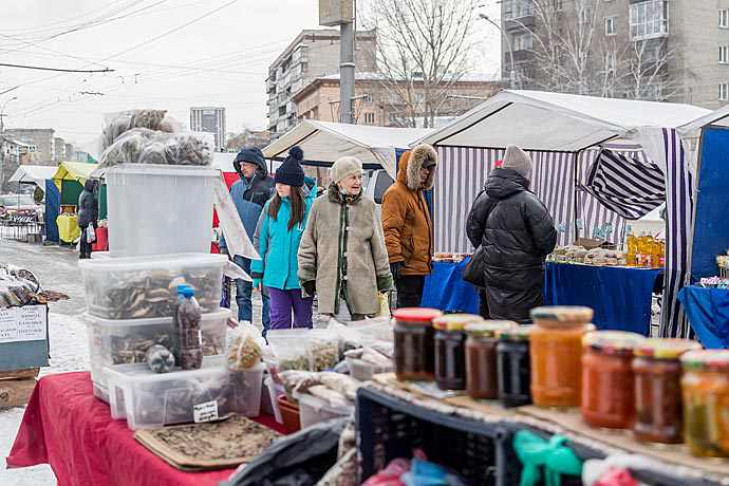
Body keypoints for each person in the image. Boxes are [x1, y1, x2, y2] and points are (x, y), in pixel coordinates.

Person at [466, 145, 557, 323]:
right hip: (523, 281)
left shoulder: (483, 197)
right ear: (524, 173)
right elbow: (547, 242)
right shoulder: (529, 201)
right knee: (519, 335)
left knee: (491, 331)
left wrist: (494, 250)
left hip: (490, 277)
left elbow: (472, 232)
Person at [298, 156, 393, 323]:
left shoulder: (368, 206)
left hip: (362, 284)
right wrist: (307, 275)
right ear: (339, 181)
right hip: (330, 284)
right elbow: (308, 243)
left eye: (360, 177)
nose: (358, 181)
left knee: (359, 338)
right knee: (339, 334)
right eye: (353, 177)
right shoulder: (320, 205)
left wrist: (384, 277)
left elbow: (379, 247)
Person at [251, 147, 315, 331]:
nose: (278, 186)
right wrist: (257, 273)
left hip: (302, 278)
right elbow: (259, 240)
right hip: (275, 276)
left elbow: (318, 243)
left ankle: (300, 359)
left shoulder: (310, 208)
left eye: (284, 183)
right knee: (279, 323)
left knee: (303, 323)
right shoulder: (271, 206)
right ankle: (279, 358)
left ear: (295, 186)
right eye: (278, 182)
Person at [222, 146, 274, 329]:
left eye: (246, 165)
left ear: (258, 165)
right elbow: (227, 216)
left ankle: (269, 334)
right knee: (242, 295)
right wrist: (223, 244)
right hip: (240, 250)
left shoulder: (271, 187)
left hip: (263, 251)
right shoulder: (235, 188)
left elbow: (274, 220)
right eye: (241, 165)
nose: (242, 168)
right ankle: (245, 332)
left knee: (268, 294)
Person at [382, 144, 437, 308]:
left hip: (418, 265)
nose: (426, 172)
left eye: (428, 169)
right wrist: (394, 257)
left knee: (413, 309)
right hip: (407, 265)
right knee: (408, 309)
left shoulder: (417, 193)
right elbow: (390, 228)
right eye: (422, 168)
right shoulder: (396, 193)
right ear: (411, 169)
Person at [77, 179, 98, 259]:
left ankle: (82, 253)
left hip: (82, 217)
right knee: (87, 237)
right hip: (87, 218)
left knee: (84, 235)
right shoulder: (89, 195)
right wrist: (92, 221)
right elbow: (90, 209)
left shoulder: (83, 193)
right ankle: (87, 253)